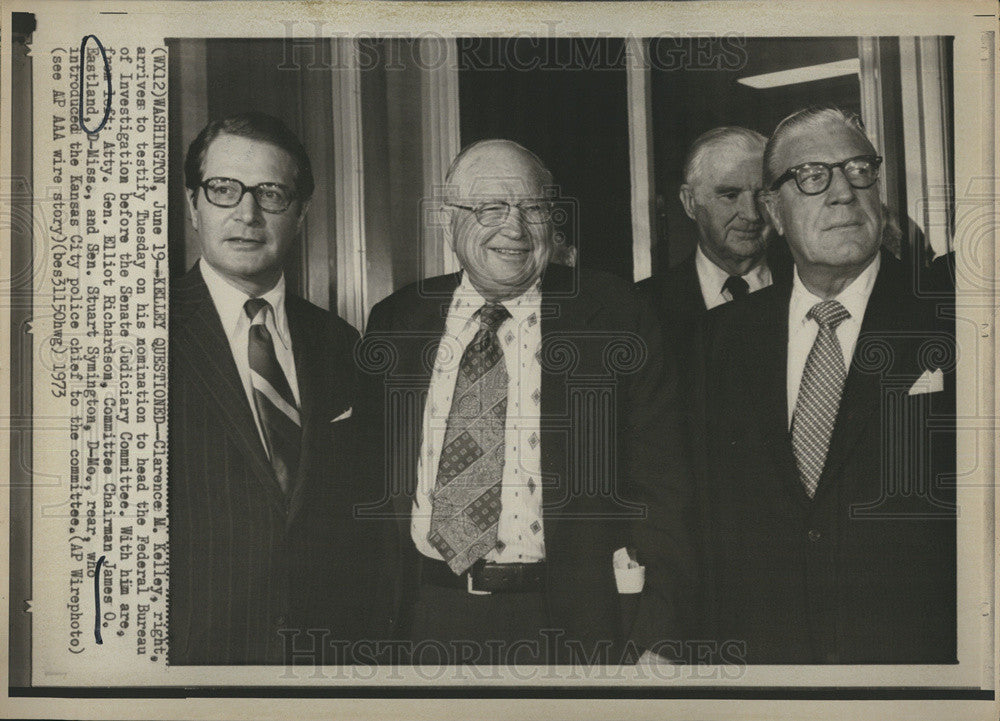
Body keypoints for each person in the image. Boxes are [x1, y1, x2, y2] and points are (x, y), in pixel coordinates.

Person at [357, 139, 695, 666]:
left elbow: (665, 485)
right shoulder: (397, 320)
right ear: (450, 221)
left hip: (573, 623)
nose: (514, 229)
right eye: (490, 207)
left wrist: (658, 632)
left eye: (533, 208)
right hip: (426, 618)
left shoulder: (616, 316)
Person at [684, 107, 956, 663]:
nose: (842, 193)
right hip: (764, 667)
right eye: (811, 176)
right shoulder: (718, 341)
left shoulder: (951, 320)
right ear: (774, 211)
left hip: (913, 667)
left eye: (859, 170)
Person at [168, 112, 372, 665]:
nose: (247, 214)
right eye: (224, 190)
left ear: (301, 213)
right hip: (195, 664)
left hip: (326, 663)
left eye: (272, 193)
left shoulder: (340, 343)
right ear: (193, 206)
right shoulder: (142, 336)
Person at [636, 127, 790, 363]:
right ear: (690, 203)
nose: (751, 215)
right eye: (730, 195)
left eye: (761, 195)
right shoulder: (643, 308)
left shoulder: (809, 287)